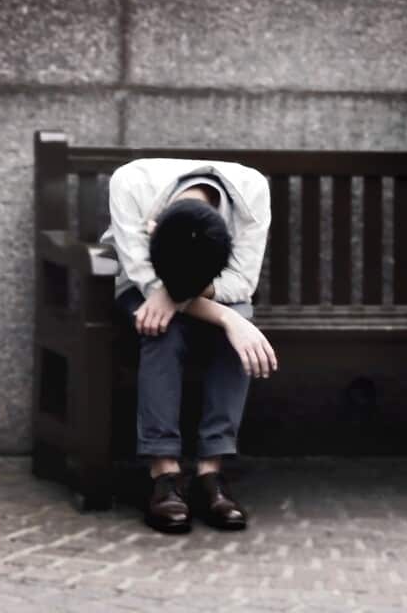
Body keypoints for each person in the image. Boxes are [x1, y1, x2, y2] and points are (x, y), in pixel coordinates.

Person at [101, 158, 277, 534]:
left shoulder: (251, 190)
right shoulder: (130, 182)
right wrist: (228, 319)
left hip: (219, 290)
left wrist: (204, 302)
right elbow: (142, 276)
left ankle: (210, 472)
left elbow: (241, 282)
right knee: (161, 327)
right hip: (141, 286)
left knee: (233, 326)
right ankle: (163, 472)